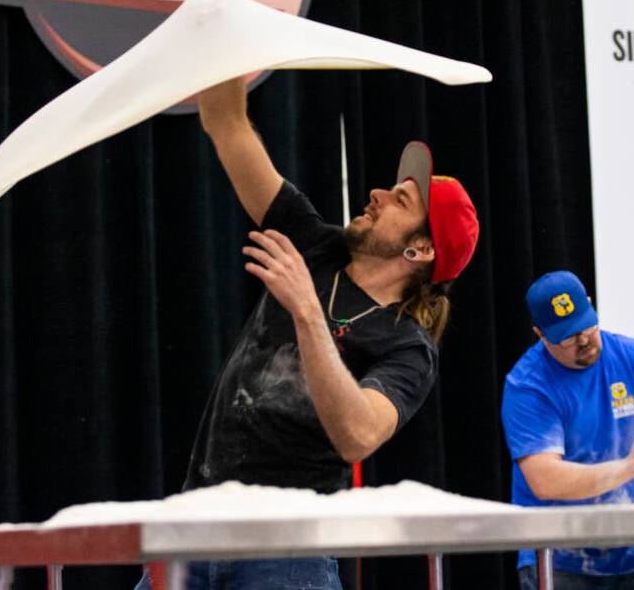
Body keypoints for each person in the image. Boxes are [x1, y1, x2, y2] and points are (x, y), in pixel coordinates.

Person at [136, 78, 480, 590]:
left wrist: (306, 311)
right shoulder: (316, 245)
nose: (377, 194)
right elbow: (226, 124)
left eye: (401, 201)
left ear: (421, 250)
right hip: (193, 528)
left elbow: (359, 436)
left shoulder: (408, 347)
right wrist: (224, 36)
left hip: (285, 553)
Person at [502, 270, 634, 590]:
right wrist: (630, 467)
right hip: (558, 558)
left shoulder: (631, 354)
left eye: (586, 326)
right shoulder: (528, 386)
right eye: (567, 336)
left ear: (589, 304)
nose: (583, 341)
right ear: (540, 335)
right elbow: (544, 479)